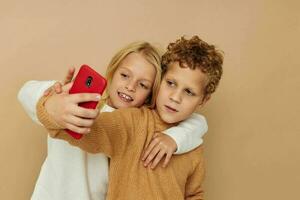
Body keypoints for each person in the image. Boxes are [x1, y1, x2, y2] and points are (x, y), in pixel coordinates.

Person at [36, 35, 223, 199]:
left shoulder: (193, 148)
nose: (175, 97)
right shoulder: (133, 122)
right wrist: (56, 110)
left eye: (189, 92)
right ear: (159, 82)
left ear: (204, 100)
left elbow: (193, 194)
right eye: (171, 83)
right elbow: (92, 131)